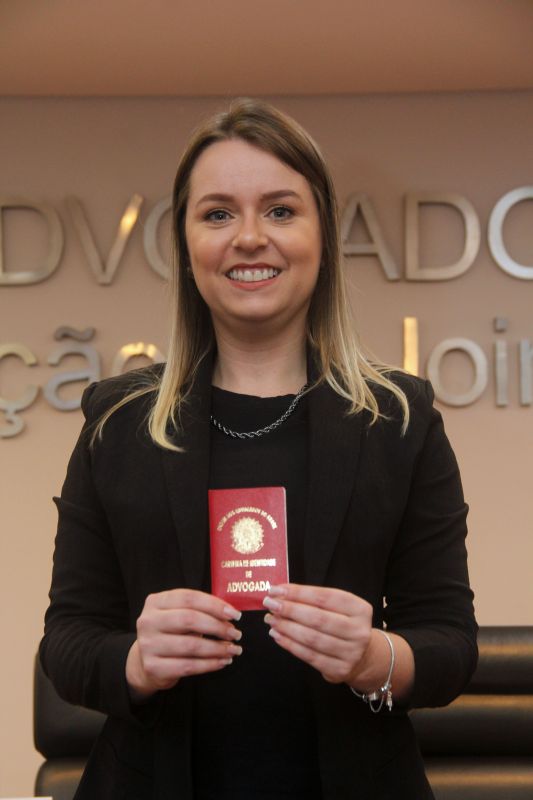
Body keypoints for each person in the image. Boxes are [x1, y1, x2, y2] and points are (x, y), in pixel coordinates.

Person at [40, 98, 477, 800]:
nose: (249, 237)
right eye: (217, 214)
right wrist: (135, 661)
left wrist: (374, 655)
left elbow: (451, 645)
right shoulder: (116, 422)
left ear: (322, 234)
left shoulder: (400, 420)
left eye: (279, 210)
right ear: (186, 243)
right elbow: (66, 642)